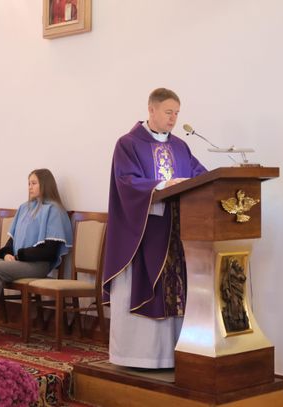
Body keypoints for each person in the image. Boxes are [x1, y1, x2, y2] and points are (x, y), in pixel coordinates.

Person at [102, 88, 207, 368]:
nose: (173, 118)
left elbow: (200, 176)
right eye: (168, 112)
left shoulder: (181, 146)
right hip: (144, 233)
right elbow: (126, 182)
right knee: (147, 288)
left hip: (177, 233)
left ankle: (175, 356)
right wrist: (162, 185)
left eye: (177, 113)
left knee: (176, 291)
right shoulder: (128, 144)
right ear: (151, 110)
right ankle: (139, 357)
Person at [0, 168, 73, 344]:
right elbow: (11, 242)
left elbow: (50, 250)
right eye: (28, 183)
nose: (30, 187)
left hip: (38, 265)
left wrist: (20, 254)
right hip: (20, 262)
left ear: (45, 184)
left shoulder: (54, 210)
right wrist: (7, 253)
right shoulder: (24, 208)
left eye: (34, 183)